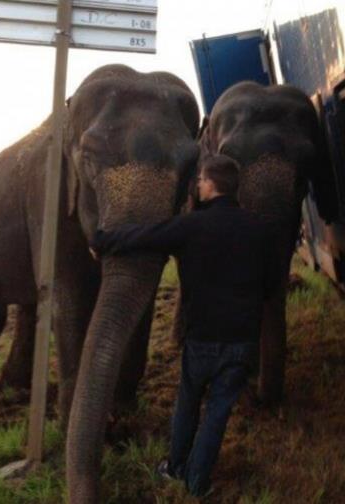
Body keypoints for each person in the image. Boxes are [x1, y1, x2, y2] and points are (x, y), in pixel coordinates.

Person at [89, 154, 278, 497]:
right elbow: (271, 286)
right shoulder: (259, 229)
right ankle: (197, 482)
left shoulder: (191, 225)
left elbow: (145, 235)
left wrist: (102, 242)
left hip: (202, 337)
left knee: (188, 402)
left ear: (211, 185)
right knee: (218, 412)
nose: (199, 185)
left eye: (202, 180)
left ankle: (176, 468)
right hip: (242, 339)